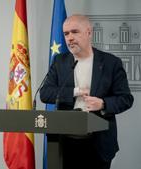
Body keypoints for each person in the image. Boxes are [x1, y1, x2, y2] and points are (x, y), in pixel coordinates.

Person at [39, 14, 134, 169]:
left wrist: (103, 104)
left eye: (74, 32)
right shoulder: (59, 62)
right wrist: (74, 91)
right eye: (66, 34)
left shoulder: (111, 63)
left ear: (89, 33)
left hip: (98, 143)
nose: (69, 38)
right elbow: (45, 93)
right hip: (64, 142)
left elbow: (125, 98)